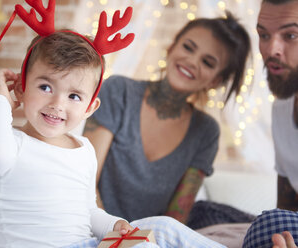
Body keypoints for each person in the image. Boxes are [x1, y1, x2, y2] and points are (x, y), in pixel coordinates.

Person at [0, 3, 228, 247]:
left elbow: (88, 211)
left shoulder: (83, 149)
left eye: (74, 96)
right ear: (20, 88)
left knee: (163, 228)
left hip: (86, 244)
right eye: (45, 87)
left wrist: (115, 224)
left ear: (90, 108)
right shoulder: (11, 145)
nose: (57, 103)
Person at [83, 11, 251, 224]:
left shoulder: (206, 132)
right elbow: (86, 181)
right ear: (172, 47)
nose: (191, 61)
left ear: (216, 81)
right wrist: (110, 233)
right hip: (95, 225)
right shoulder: (119, 91)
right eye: (188, 47)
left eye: (207, 62)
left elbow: (175, 219)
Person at [242, 0, 298, 247]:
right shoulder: (281, 110)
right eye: (263, 35)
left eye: (291, 35)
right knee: (205, 211)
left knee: (269, 224)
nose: (271, 49)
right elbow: (287, 207)